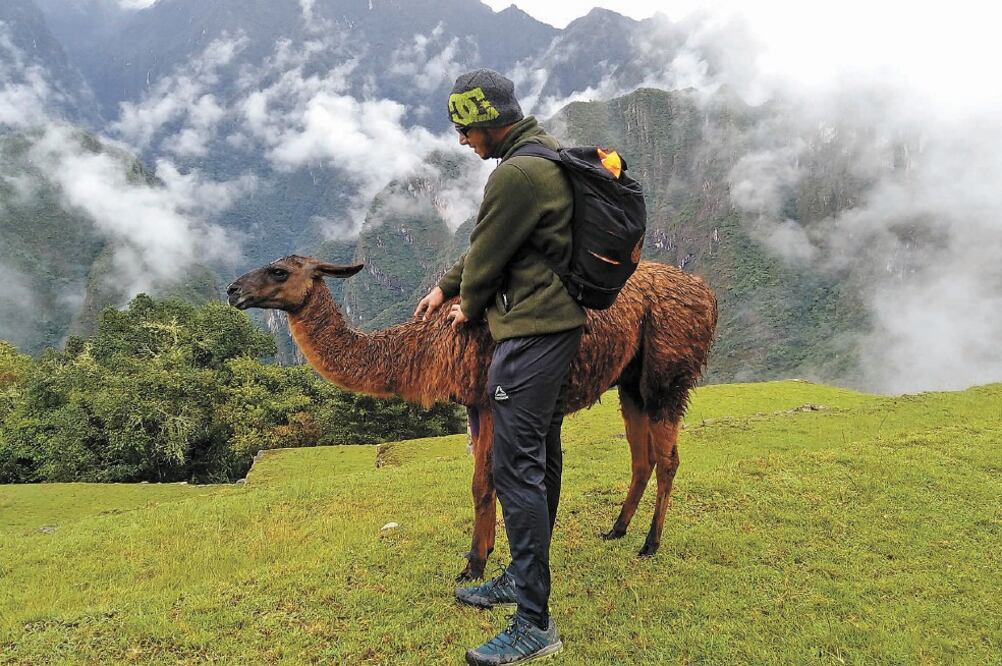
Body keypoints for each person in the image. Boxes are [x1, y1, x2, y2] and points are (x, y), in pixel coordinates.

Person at [414, 69, 586, 666]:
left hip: (532, 333)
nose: (462, 140)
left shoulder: (516, 174)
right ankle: (520, 576)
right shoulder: (543, 152)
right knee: (541, 454)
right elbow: (496, 241)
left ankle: (534, 622)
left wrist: (467, 303)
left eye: (465, 128)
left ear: (488, 121)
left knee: (514, 467)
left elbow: (486, 256)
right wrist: (447, 285)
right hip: (557, 325)